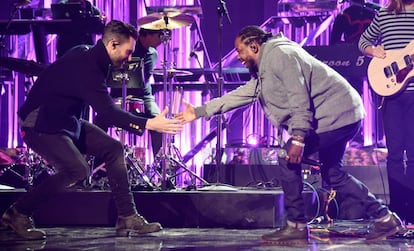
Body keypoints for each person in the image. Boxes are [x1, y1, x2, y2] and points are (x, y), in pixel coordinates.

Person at [177, 25, 404, 245]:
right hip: (343, 114)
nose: (239, 57)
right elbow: (242, 94)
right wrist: (198, 112)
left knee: (287, 158)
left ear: (254, 46)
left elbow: (299, 98)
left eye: (240, 51)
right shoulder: (267, 66)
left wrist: (298, 138)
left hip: (337, 116)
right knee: (332, 172)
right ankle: (385, 218)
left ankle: (296, 225)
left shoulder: (280, 55)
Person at [0, 20, 183, 240]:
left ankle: (127, 216)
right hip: (39, 123)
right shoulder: (86, 65)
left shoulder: (88, 55)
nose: (129, 58)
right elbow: (108, 112)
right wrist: (149, 123)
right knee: (77, 170)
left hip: (66, 121)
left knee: (114, 149)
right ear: (113, 44)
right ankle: (17, 213)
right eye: (128, 52)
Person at [358, 0, 414, 224]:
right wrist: (374, 50)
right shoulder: (384, 14)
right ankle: (398, 210)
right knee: (394, 154)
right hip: (391, 93)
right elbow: (363, 41)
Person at [109, 28, 165, 158]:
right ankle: (97, 163)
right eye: (158, 35)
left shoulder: (152, 53)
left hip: (143, 96)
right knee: (101, 119)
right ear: (146, 35)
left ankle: (159, 165)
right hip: (118, 93)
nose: (161, 40)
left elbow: (142, 79)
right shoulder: (127, 46)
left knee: (158, 120)